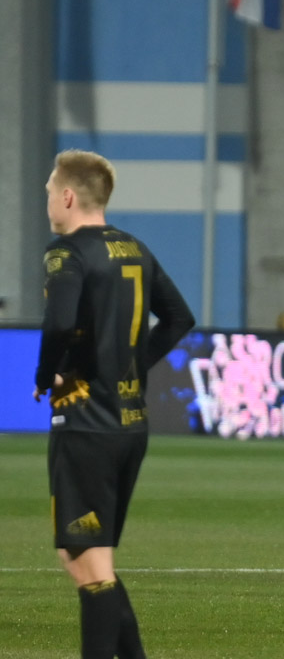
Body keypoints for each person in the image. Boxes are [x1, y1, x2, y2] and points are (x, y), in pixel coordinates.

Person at [35, 149, 195, 657]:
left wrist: (46, 374)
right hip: (129, 423)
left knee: (87, 560)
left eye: (48, 194)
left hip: (86, 421)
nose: (47, 204)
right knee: (86, 557)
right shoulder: (136, 249)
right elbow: (179, 318)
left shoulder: (67, 253)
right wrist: (131, 365)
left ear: (68, 195)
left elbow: (60, 323)